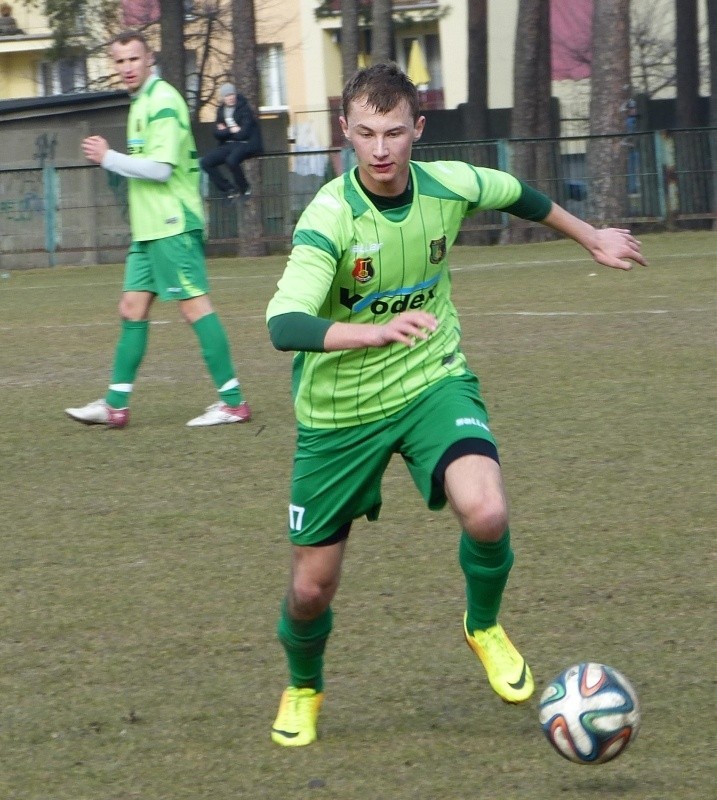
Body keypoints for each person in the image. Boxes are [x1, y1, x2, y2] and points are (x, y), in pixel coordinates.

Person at [265, 62, 646, 747]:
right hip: (337, 418)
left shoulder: (449, 184)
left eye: (392, 133)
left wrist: (591, 236)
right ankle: (303, 686)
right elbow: (283, 323)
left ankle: (483, 625)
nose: (380, 150)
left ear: (417, 130)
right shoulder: (328, 215)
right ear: (344, 135)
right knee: (311, 590)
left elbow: (519, 194)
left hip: (429, 382)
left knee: (488, 508)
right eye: (364, 134)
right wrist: (370, 331)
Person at [65, 30, 251, 429]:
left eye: (134, 59)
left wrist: (109, 157)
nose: (127, 67)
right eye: (120, 61)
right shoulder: (140, 104)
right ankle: (115, 405)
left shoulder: (163, 99)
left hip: (172, 224)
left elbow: (161, 168)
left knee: (194, 307)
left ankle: (233, 402)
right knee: (131, 308)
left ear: (148, 59)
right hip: (149, 231)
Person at [200, 82, 263, 200]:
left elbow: (244, 133)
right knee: (205, 162)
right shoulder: (221, 111)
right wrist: (231, 130)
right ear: (223, 98)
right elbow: (216, 132)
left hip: (245, 143)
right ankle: (228, 189)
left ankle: (245, 189)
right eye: (227, 96)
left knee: (231, 160)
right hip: (228, 144)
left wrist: (227, 132)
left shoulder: (244, 109)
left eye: (232, 94)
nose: (230, 98)